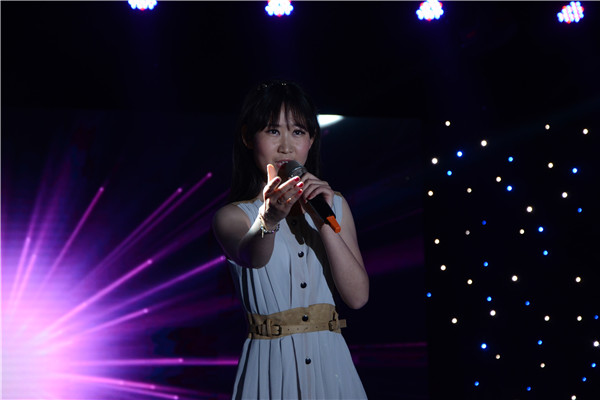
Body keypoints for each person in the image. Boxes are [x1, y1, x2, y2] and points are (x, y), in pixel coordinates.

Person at [212, 80, 369, 399]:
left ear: (311, 140)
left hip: (332, 366)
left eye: (298, 131)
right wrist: (269, 219)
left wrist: (325, 221)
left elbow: (357, 297)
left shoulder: (336, 205)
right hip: (270, 367)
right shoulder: (233, 216)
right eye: (273, 130)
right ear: (248, 137)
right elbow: (254, 257)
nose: (286, 146)